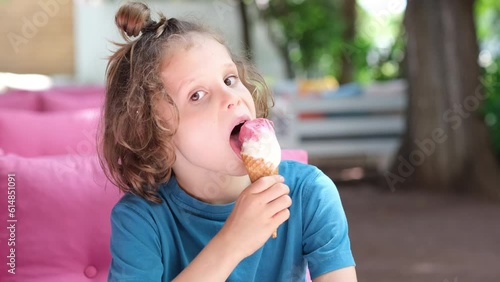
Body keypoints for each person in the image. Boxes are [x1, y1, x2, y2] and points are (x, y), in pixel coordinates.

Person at [100, 2, 356, 281]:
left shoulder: (309, 193)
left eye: (230, 79)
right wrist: (232, 243)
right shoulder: (140, 221)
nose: (230, 97)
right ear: (154, 136)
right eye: (196, 95)